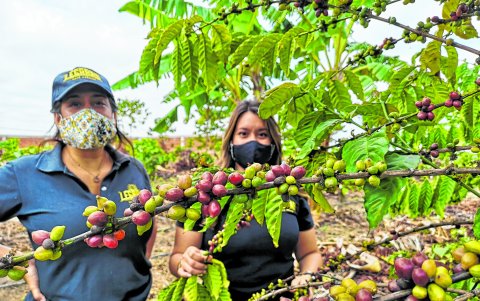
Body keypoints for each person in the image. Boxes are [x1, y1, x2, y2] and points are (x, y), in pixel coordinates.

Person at [0, 67, 157, 301]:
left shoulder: (133, 168)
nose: (88, 113)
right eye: (74, 104)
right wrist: (10, 258)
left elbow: (148, 220)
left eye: (98, 103)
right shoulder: (23, 174)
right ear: (58, 118)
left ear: (112, 114)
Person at [168, 100, 322, 300]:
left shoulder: (291, 194)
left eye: (262, 134)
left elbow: (310, 253)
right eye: (243, 133)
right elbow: (176, 258)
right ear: (231, 142)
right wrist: (185, 262)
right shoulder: (205, 196)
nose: (253, 141)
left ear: (273, 143)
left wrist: (306, 276)